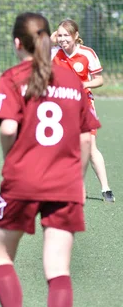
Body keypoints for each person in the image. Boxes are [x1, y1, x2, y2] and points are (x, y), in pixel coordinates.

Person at [0, 12, 99, 307]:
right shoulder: (71, 78)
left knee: (1, 255)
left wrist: (11, 161)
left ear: (17, 43)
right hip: (64, 183)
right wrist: (77, 181)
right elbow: (86, 138)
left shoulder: (12, 77)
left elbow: (7, 127)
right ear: (50, 40)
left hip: (22, 180)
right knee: (58, 267)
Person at [51, 19, 114, 202]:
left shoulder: (87, 54)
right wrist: (51, 38)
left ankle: (106, 189)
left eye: (66, 35)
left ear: (76, 35)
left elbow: (99, 80)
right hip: (61, 107)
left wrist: (84, 83)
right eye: (60, 35)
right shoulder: (54, 52)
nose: (63, 39)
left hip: (84, 105)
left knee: (90, 146)